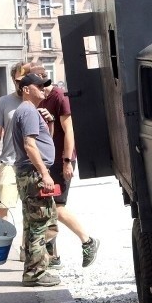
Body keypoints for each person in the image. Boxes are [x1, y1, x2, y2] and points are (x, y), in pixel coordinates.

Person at [36, 68, 100, 269]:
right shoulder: (42, 99)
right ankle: (53, 256)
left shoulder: (59, 97)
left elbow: (69, 130)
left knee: (57, 207)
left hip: (62, 159)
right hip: (50, 161)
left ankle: (88, 240)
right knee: (48, 206)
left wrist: (66, 161)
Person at [12, 72, 61, 287]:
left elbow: (42, 141)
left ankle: (37, 268)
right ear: (26, 89)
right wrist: (45, 173)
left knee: (38, 221)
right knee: (40, 223)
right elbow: (30, 145)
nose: (43, 88)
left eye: (45, 85)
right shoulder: (28, 111)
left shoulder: (30, 111)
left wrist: (48, 124)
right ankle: (35, 273)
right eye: (39, 85)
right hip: (33, 173)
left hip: (29, 173)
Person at [0, 61, 28, 220]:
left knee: (33, 212)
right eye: (18, 81)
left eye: (24, 80)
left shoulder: (39, 100)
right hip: (10, 163)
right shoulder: (4, 102)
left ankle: (29, 245)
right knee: (2, 208)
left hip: (33, 164)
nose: (21, 84)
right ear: (13, 80)